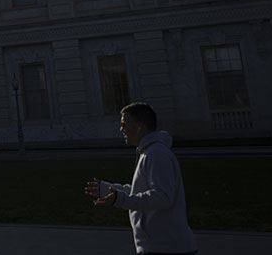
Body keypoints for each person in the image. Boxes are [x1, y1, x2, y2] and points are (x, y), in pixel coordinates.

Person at [84, 102, 197, 255]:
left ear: (140, 126)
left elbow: (162, 197)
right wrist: (109, 189)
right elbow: (141, 191)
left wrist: (121, 200)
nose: (121, 128)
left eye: (125, 124)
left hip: (167, 248)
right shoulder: (149, 152)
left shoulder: (156, 154)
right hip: (160, 247)